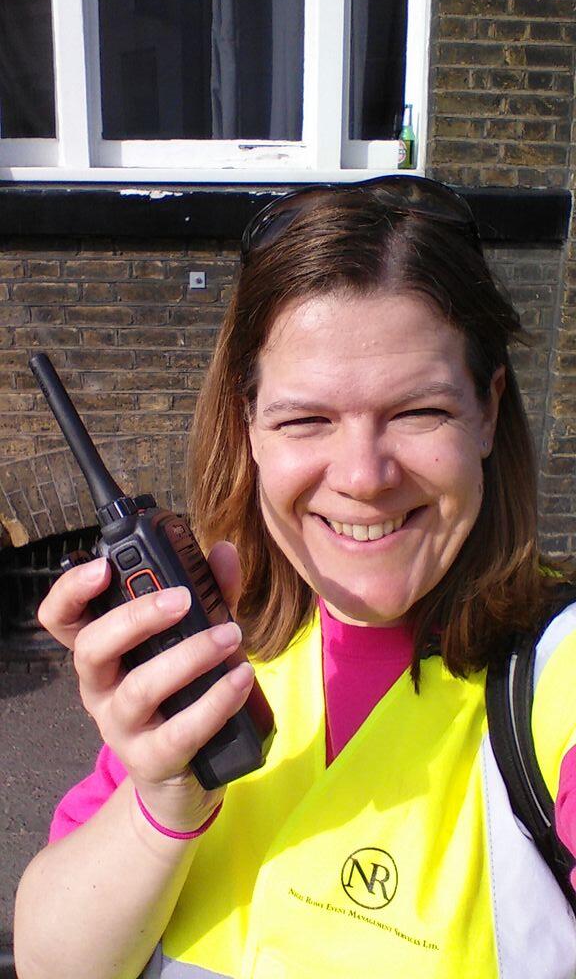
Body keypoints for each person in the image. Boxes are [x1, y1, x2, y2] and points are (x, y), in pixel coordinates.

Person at [14, 176, 576, 979]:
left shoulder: (558, 674)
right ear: (248, 429)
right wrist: (165, 801)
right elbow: (51, 963)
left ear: (487, 411)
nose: (363, 475)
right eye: (306, 419)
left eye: (419, 412)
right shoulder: (215, 657)